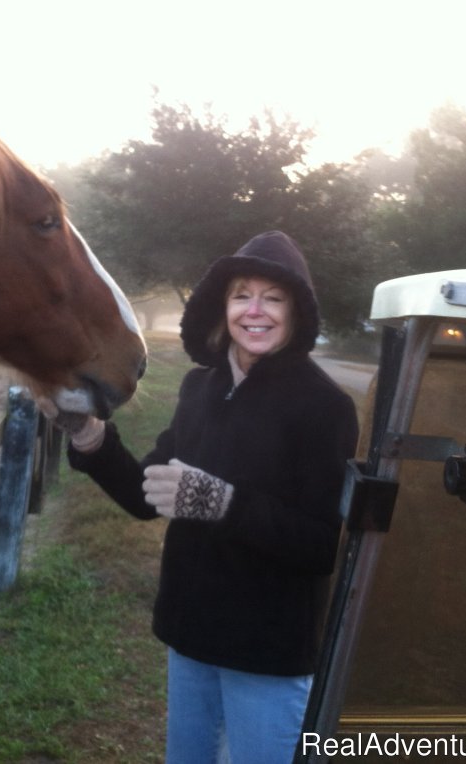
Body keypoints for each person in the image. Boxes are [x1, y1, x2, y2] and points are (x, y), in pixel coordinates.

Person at [57, 231, 358, 763]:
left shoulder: (323, 406)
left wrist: (224, 503)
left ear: (297, 311)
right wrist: (89, 436)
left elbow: (320, 544)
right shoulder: (200, 387)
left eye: (274, 297)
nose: (256, 311)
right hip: (191, 636)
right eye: (242, 295)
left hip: (267, 651)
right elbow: (145, 495)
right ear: (224, 306)